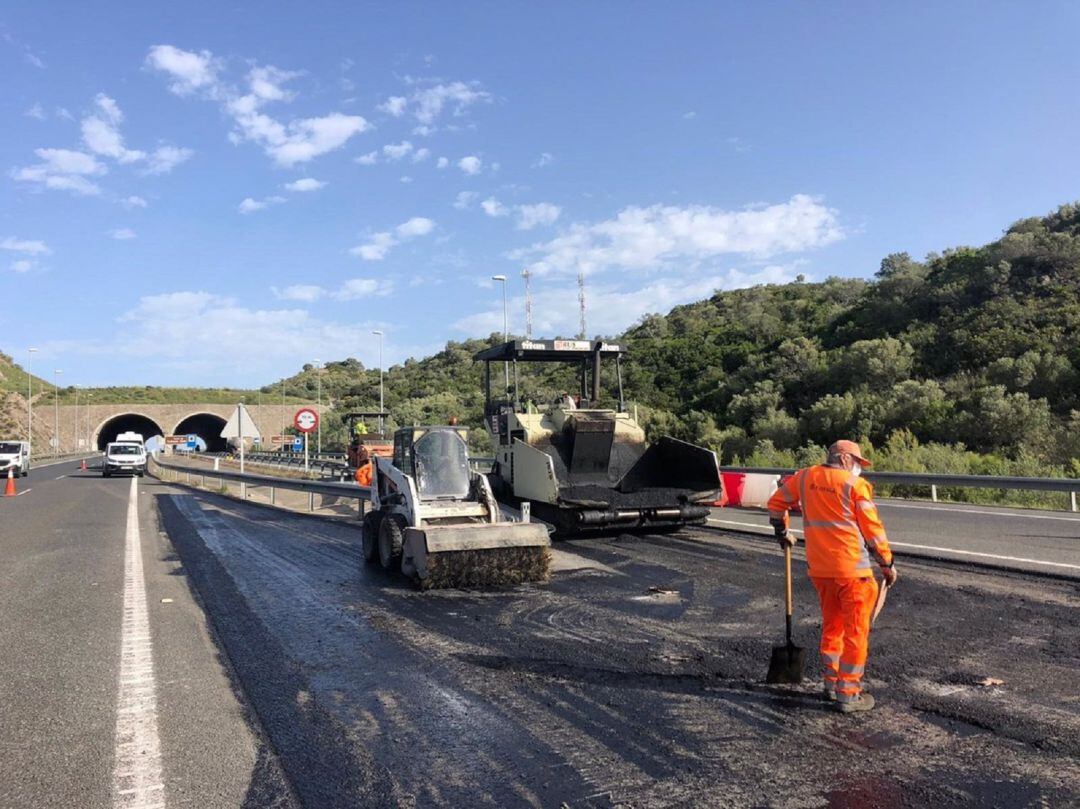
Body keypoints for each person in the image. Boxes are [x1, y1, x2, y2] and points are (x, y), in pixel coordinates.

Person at [766, 440, 897, 714]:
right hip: (854, 573)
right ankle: (848, 693)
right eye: (858, 463)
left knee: (833, 626)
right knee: (856, 632)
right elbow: (873, 532)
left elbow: (776, 503)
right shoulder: (855, 486)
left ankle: (831, 683)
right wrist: (887, 563)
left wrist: (782, 533)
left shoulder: (804, 477)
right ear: (846, 460)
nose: (859, 469)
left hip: (821, 571)